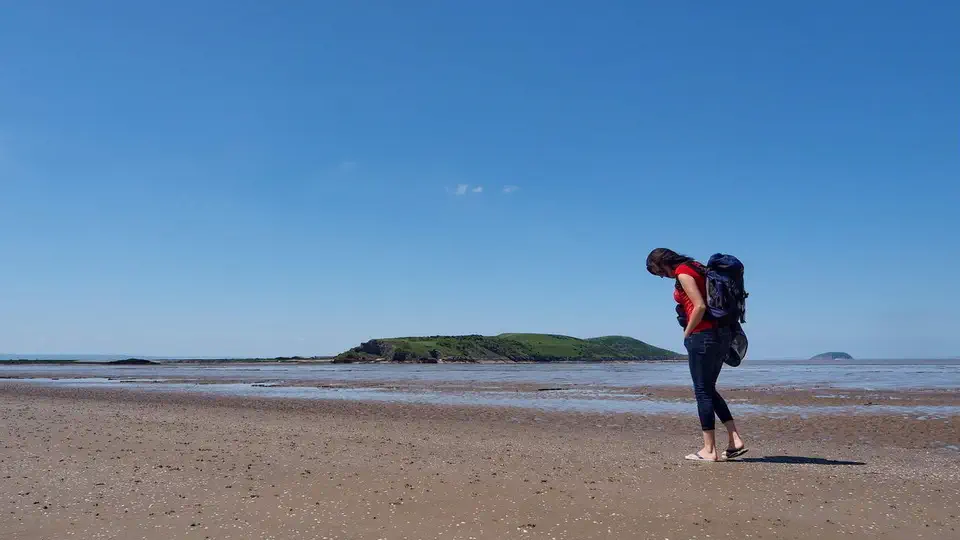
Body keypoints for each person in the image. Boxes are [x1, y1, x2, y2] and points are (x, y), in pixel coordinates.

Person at [646, 248, 747, 462]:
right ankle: (734, 438)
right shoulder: (699, 266)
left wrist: (687, 332)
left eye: (657, 271)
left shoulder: (683, 272)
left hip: (703, 335)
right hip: (723, 335)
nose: (661, 276)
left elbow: (699, 306)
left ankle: (709, 450)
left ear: (661, 262)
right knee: (709, 389)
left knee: (702, 391)